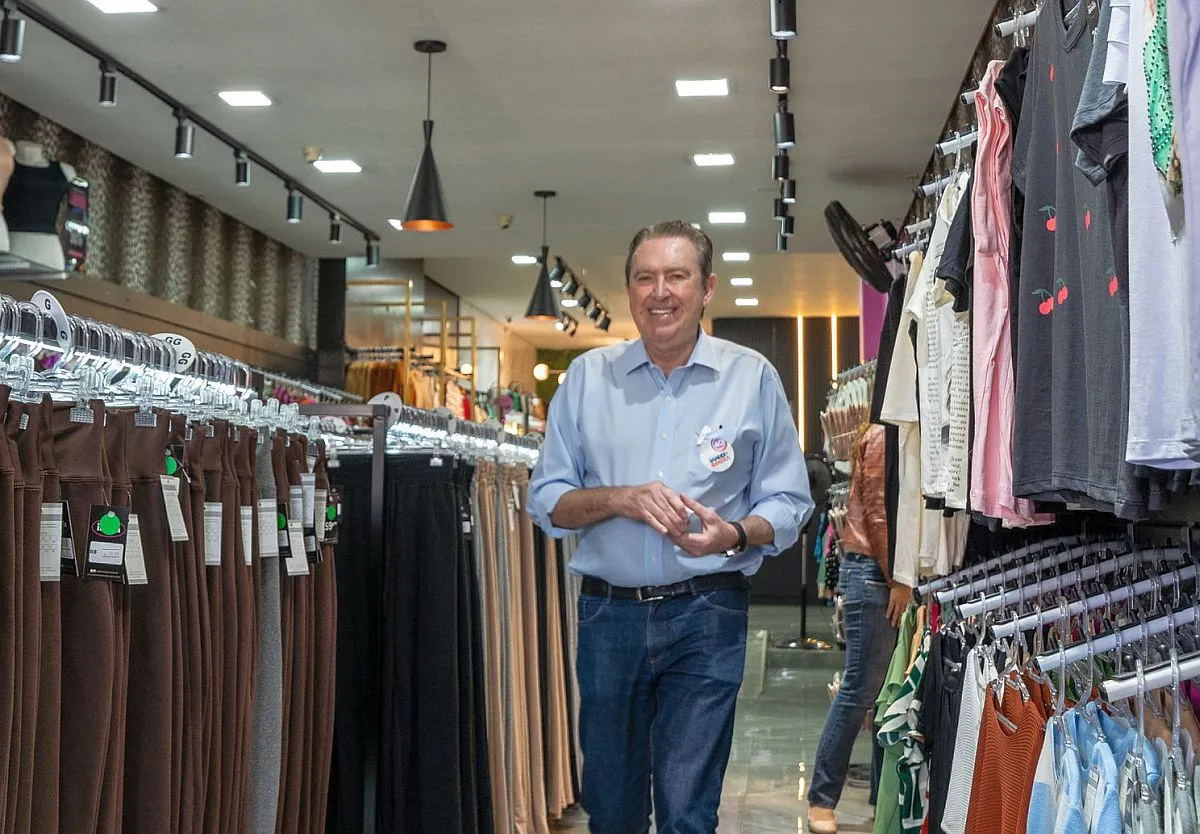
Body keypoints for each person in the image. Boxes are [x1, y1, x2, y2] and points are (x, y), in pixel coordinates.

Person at [528, 220, 814, 834]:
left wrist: (734, 535)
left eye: (677, 276)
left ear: (707, 287)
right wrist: (617, 499)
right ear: (629, 289)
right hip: (609, 619)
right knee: (612, 809)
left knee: (689, 810)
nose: (661, 291)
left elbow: (790, 501)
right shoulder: (585, 381)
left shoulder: (752, 378)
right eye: (645, 277)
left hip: (707, 613)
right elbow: (546, 500)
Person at [805, 422, 911, 834]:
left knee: (887, 691)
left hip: (883, 574)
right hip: (875, 574)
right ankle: (821, 799)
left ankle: (878, 795)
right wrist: (896, 577)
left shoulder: (896, 429)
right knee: (859, 691)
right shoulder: (883, 435)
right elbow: (879, 511)